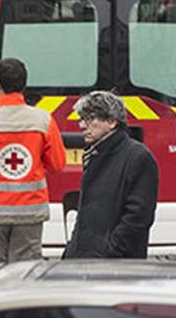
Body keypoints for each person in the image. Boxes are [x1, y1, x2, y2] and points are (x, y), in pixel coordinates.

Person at [0, 58, 66, 271]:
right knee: (25, 272)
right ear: (24, 85)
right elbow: (57, 164)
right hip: (30, 212)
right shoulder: (43, 120)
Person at [64, 91, 159, 259]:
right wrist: (71, 251)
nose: (82, 126)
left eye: (90, 119)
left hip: (115, 267)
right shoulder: (94, 154)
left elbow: (137, 218)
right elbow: (86, 215)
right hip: (86, 262)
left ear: (111, 122)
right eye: (81, 119)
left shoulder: (138, 157)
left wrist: (110, 252)